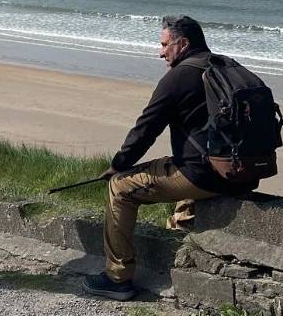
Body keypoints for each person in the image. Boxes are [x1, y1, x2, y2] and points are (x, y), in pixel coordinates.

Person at [82, 15, 260, 301]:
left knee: (120, 187)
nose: (160, 51)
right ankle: (181, 227)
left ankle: (117, 279)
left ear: (183, 43)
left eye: (165, 44)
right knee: (176, 162)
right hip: (243, 173)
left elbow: (146, 128)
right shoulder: (226, 66)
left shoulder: (179, 76)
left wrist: (118, 166)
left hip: (205, 175)